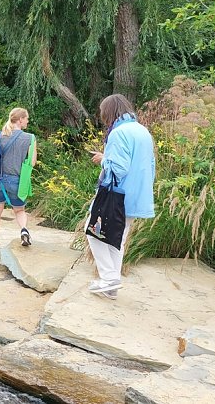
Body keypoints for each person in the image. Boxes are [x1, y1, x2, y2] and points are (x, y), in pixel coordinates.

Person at [86, 94, 155, 300]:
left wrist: (102, 159)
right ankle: (111, 287)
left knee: (92, 231)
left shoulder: (119, 133)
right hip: (137, 194)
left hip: (116, 195)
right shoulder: (142, 131)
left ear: (109, 112)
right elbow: (150, 165)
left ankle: (109, 278)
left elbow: (119, 168)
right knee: (118, 238)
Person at [0, 108, 37, 253]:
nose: (28, 121)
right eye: (26, 118)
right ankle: (24, 230)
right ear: (20, 120)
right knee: (19, 210)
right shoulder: (30, 138)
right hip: (16, 181)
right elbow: (32, 162)